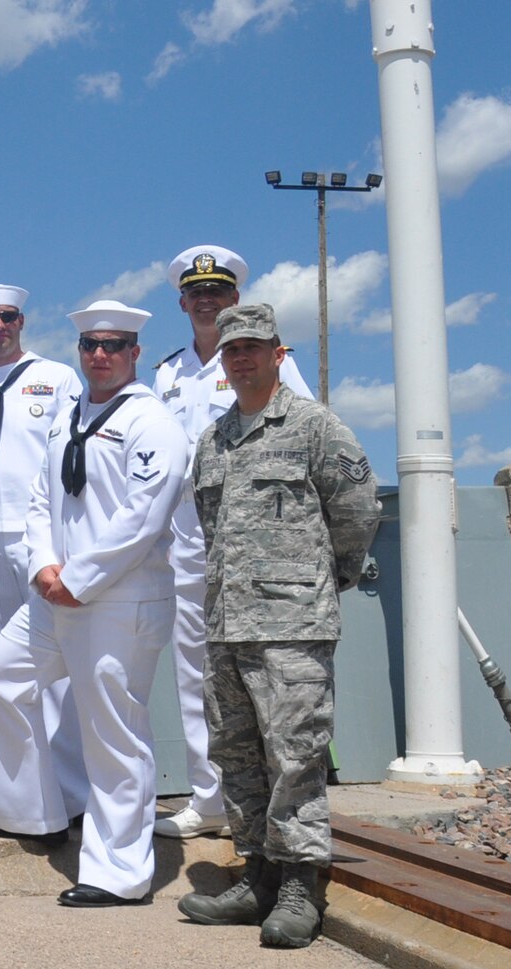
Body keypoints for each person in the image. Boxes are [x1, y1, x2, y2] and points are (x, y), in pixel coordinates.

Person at [0, 301, 189, 907]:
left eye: (114, 345)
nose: (100, 355)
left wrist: (81, 577)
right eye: (91, 344)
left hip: (119, 600)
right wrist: (42, 565)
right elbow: (40, 496)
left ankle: (119, 872)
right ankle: (36, 812)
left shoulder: (154, 423)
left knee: (113, 735)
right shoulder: (70, 415)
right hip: (55, 594)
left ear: (135, 352)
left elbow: (143, 518)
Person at [176, 304, 379, 947]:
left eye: (252, 349)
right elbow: (213, 529)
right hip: (227, 623)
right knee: (235, 755)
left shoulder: (316, 427)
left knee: (295, 755)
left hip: (293, 623)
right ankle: (257, 870)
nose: (240, 360)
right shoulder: (213, 440)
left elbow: (356, 512)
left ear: (277, 353)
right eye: (231, 351)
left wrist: (325, 579)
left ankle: (300, 884)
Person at [150, 245, 314, 841]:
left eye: (217, 292)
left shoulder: (268, 360)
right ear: (182, 302)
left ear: (235, 300)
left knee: (267, 673)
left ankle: (280, 804)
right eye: (196, 294)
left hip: (250, 541)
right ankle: (210, 798)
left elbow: (304, 432)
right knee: (196, 672)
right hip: (185, 542)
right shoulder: (166, 375)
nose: (206, 300)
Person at [0, 284, 86, 820]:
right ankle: (25, 801)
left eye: (7, 317)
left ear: (22, 321)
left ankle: (73, 795)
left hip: (40, 541)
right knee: (3, 674)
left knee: (56, 674)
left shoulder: (55, 377)